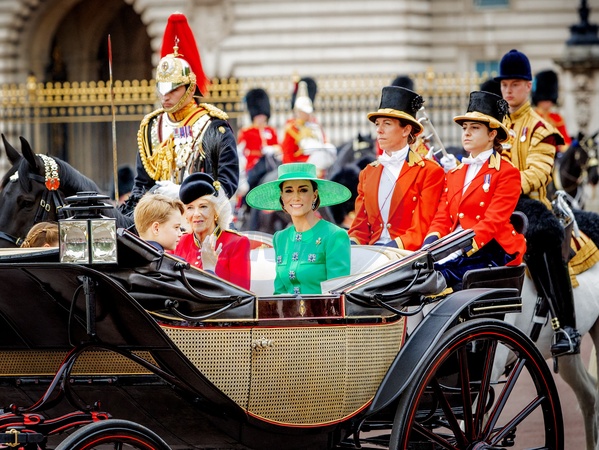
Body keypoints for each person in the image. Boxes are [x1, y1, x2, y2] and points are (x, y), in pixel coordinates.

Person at [495, 48, 578, 356]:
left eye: (515, 84)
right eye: (505, 84)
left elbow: (538, 174)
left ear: (528, 86)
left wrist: (502, 184)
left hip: (528, 207)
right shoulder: (494, 124)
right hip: (495, 206)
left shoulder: (541, 129)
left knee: (545, 239)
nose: (508, 90)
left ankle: (566, 326)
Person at [121, 13, 239, 215]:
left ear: (190, 89)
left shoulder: (213, 126)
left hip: (201, 216)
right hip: (159, 217)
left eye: (173, 89)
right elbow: (141, 185)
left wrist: (184, 192)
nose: (165, 96)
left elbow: (227, 183)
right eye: (162, 89)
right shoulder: (150, 127)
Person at [422, 91, 526, 288]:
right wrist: (430, 244)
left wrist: (455, 250)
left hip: (490, 248)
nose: (467, 133)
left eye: (475, 128)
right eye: (465, 128)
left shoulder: (506, 172)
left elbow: (493, 222)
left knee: (435, 280)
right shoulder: (455, 173)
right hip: (453, 245)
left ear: (492, 134)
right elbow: (443, 216)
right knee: (415, 274)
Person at [348, 86, 445, 250]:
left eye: (387, 124)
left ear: (406, 130)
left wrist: (386, 252)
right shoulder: (367, 173)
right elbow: (359, 228)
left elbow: (420, 230)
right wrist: (351, 248)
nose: (379, 130)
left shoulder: (429, 171)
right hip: (371, 253)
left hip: (405, 254)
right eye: (377, 124)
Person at [245, 162, 351, 295]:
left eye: (303, 190)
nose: (295, 197)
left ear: (315, 195)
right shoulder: (280, 238)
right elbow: (279, 293)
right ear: (282, 197)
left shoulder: (335, 236)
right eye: (289, 191)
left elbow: (337, 296)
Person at [174, 172, 251, 290]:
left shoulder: (237, 243)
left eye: (203, 206)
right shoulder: (178, 241)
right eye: (190, 208)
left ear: (216, 210)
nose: (196, 214)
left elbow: (240, 296)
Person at [281, 78, 335, 175]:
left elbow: (324, 140)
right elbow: (287, 153)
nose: (307, 114)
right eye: (304, 112)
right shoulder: (292, 128)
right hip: (301, 167)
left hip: (320, 165)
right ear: (298, 111)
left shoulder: (315, 125)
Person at [238, 88, 280, 175]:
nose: (261, 118)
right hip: (253, 166)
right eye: (258, 116)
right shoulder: (247, 131)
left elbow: (279, 147)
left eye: (262, 115)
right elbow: (241, 151)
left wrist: (272, 149)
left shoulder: (271, 130)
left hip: (269, 164)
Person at [532, 69, 572, 153]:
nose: (547, 102)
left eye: (549, 99)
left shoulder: (557, 118)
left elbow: (565, 140)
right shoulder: (531, 116)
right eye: (544, 99)